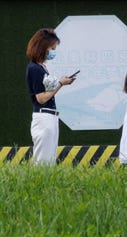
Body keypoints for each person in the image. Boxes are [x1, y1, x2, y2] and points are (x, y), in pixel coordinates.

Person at [25, 28, 76, 165]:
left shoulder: (41, 67)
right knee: (43, 161)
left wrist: (61, 83)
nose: (53, 51)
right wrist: (60, 83)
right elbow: (41, 98)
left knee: (49, 159)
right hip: (44, 117)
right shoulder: (34, 69)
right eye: (52, 48)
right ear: (42, 47)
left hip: (50, 116)